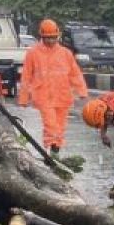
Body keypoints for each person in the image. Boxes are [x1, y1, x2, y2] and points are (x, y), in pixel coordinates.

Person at [18, 19, 88, 154]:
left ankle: (55, 152)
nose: (50, 41)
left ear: (58, 36)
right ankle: (52, 151)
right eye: (47, 38)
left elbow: (75, 73)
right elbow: (26, 76)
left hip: (63, 96)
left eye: (53, 38)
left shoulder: (66, 53)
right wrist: (24, 98)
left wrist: (82, 91)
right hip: (43, 96)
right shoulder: (33, 53)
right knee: (50, 125)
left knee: (60, 128)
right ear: (42, 37)